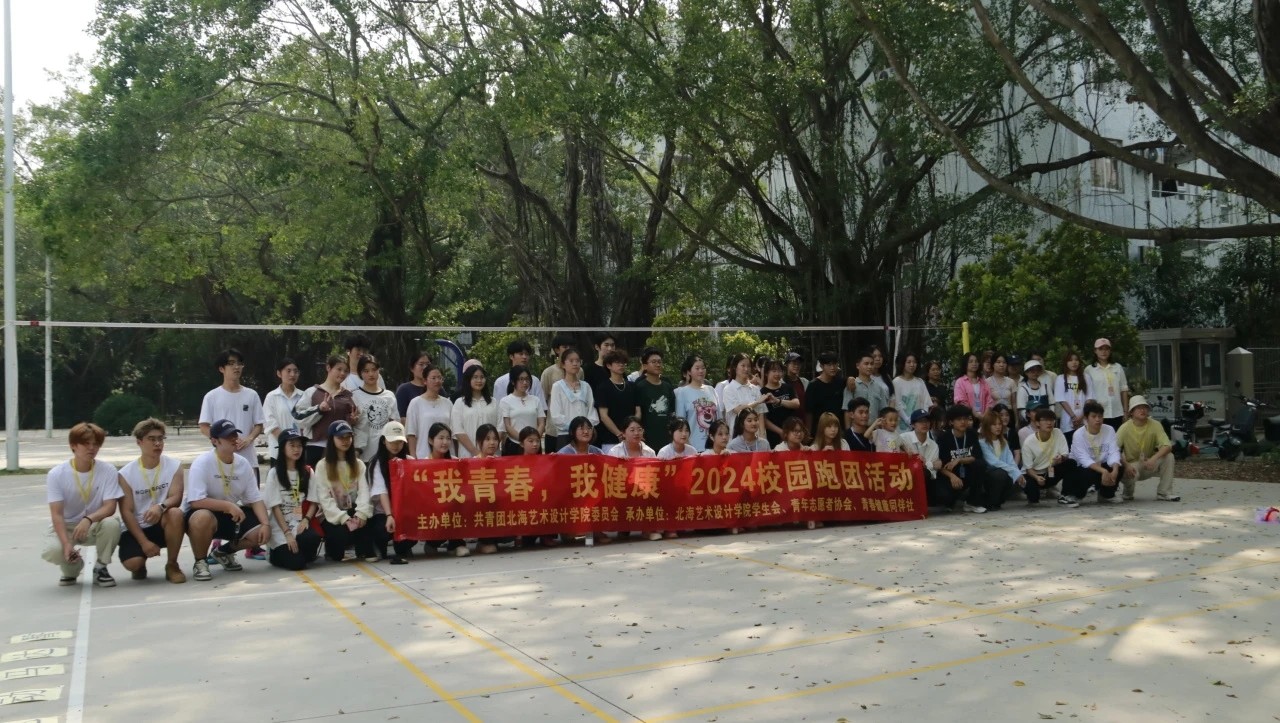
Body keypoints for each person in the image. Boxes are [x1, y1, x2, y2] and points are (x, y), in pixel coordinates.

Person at [185, 419, 272, 582]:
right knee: (202, 517)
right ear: (214, 441)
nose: (234, 439)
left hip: (230, 514)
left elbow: (255, 499)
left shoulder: (243, 464)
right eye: (227, 436)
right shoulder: (202, 463)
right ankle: (200, 561)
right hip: (203, 513)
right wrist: (228, 505)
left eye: (234, 435)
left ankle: (223, 552)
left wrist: (266, 525)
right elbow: (195, 501)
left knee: (261, 531)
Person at [43, 423, 124, 587]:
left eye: (96, 444)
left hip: (94, 524)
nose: (92, 448)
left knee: (112, 524)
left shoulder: (108, 470)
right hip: (67, 526)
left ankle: (100, 567)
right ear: (73, 445)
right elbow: (56, 514)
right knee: (53, 551)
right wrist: (66, 544)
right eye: (86, 443)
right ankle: (72, 568)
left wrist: (88, 519)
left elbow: (110, 507)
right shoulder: (56, 474)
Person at [117, 419, 187, 583]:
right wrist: (144, 543)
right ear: (139, 442)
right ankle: (140, 565)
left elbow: (176, 497)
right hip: (137, 528)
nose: (157, 443)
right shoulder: (126, 474)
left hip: (162, 523)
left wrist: (160, 507)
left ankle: (172, 565)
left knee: (176, 513)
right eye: (151, 439)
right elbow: (126, 512)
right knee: (133, 564)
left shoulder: (174, 466)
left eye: (161, 438)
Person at [310, 420, 374, 562]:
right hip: (332, 514)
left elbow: (364, 492)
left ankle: (363, 549)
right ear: (331, 439)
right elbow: (324, 499)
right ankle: (332, 550)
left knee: (367, 525)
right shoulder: (322, 466)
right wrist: (342, 518)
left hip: (354, 510)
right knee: (339, 537)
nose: (345, 441)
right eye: (340, 437)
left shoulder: (358, 464)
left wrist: (362, 513)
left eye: (348, 437)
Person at [263, 429, 322, 570]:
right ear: (282, 448)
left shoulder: (307, 471)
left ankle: (297, 553)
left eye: (299, 445)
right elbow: (275, 507)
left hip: (299, 522)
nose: (297, 449)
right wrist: (287, 533)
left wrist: (306, 520)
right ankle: (273, 553)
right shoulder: (274, 473)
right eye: (292, 445)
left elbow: (314, 501)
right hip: (280, 527)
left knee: (312, 539)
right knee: (297, 564)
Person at [198, 348, 265, 473]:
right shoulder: (211, 396)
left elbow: (259, 424)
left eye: (239, 363)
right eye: (231, 363)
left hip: (248, 460)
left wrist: (248, 439)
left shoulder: (252, 395)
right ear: (221, 368)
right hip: (221, 461)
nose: (236, 367)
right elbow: (203, 426)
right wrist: (221, 441)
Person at [295, 355, 358, 468]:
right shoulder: (312, 392)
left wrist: (352, 420)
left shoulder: (349, 395)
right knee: (313, 477)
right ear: (328, 368)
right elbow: (299, 418)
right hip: (315, 446)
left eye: (346, 371)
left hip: (340, 448)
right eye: (339, 369)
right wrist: (319, 409)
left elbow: (353, 421)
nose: (342, 373)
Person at [367, 421, 417, 564]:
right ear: (384, 441)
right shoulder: (376, 463)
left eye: (399, 442)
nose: (396, 445)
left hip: (404, 510)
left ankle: (403, 547)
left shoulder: (410, 461)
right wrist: (389, 515)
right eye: (392, 441)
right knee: (382, 529)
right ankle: (379, 545)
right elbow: (381, 491)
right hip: (382, 512)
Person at [1116, 396, 1179, 501]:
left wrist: (1154, 458)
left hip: (1149, 463)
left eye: (1145, 407)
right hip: (1132, 465)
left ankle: (1164, 492)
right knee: (1128, 471)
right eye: (1138, 408)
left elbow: (1167, 446)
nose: (1142, 410)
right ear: (1131, 412)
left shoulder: (1155, 424)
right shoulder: (1124, 428)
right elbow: (1113, 449)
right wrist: (1126, 465)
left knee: (1169, 456)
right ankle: (1127, 492)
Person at [1065, 401, 1123, 506]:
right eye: (1094, 416)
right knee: (1087, 472)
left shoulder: (1109, 430)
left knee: (1119, 466)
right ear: (1086, 418)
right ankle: (1075, 495)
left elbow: (1114, 451)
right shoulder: (1078, 434)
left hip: (1100, 465)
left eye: (1100, 416)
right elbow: (1084, 459)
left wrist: (1115, 470)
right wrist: (1103, 471)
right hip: (1084, 468)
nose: (1098, 419)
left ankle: (1106, 495)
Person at [934, 405, 988, 513]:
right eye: (959, 419)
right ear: (951, 422)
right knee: (943, 495)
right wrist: (952, 476)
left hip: (967, 471)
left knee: (980, 464)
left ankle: (972, 503)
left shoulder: (972, 434)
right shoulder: (944, 438)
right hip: (950, 474)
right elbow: (940, 465)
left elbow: (976, 456)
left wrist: (959, 460)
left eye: (965, 419)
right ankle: (951, 501)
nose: (963, 422)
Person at [1021, 407, 1075, 507]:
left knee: (1071, 463)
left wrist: (1061, 459)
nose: (1049, 423)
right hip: (1033, 474)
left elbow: (1065, 454)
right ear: (1037, 423)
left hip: (1051, 470)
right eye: (1045, 420)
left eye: (1051, 420)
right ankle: (1033, 495)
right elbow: (1028, 469)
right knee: (1033, 499)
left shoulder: (1057, 433)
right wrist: (1037, 477)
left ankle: (1065, 495)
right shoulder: (1029, 442)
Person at [352, 355, 398, 464]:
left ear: (379, 371)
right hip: (362, 455)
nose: (371, 374)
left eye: (374, 370)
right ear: (360, 373)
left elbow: (395, 425)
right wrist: (352, 421)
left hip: (386, 455)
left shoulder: (389, 396)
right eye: (366, 371)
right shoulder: (354, 396)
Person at [550, 348, 599, 449]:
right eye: (571, 361)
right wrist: (574, 429)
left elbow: (592, 410)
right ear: (563, 364)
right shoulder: (557, 386)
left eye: (577, 361)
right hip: (566, 435)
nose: (575, 364)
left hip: (585, 435)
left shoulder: (586, 386)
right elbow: (556, 415)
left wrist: (586, 428)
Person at [594, 349, 639, 453]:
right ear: (608, 365)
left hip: (632, 438)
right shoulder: (603, 388)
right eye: (617, 362)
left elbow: (638, 411)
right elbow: (604, 416)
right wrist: (619, 434)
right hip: (610, 440)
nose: (621, 365)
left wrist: (631, 431)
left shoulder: (632, 386)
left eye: (623, 362)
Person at [263, 357, 305, 466]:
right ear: (279, 373)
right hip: (278, 451)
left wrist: (295, 446)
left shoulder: (304, 396)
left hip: (298, 451)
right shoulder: (272, 397)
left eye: (295, 371)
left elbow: (307, 422)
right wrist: (286, 444)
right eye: (288, 371)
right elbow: (270, 423)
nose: (292, 374)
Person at [451, 364, 500, 458]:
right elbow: (458, 430)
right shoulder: (460, 403)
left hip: (492, 456)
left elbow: (500, 428)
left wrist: (490, 448)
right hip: (468, 455)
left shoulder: (493, 402)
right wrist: (477, 453)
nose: (479, 380)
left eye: (482, 377)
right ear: (468, 379)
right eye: (475, 377)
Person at [405, 363, 453, 459]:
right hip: (423, 456)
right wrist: (413, 457)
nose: (437, 381)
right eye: (433, 378)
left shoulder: (448, 403)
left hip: (446, 457)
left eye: (440, 378)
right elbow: (411, 434)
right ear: (425, 381)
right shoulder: (415, 403)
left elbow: (453, 432)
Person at [977, 409, 1022, 508]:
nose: (998, 427)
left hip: (1003, 471)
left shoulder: (1003, 441)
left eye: (999, 424)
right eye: (994, 424)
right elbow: (993, 462)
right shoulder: (982, 442)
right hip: (989, 474)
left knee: (1014, 477)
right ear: (987, 426)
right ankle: (990, 501)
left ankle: (996, 501)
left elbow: (1010, 460)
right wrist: (1013, 471)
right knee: (1001, 474)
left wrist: (1017, 473)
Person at [499, 365, 547, 456]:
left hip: (534, 446)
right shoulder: (505, 401)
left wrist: (534, 440)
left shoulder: (535, 400)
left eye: (527, 379)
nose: (525, 382)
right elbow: (507, 426)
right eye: (521, 379)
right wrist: (523, 441)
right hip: (514, 445)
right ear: (513, 381)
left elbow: (541, 423)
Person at [675, 354, 719, 452]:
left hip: (713, 448)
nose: (701, 371)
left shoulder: (711, 390)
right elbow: (680, 423)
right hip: (693, 447)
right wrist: (688, 447)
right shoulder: (683, 392)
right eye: (697, 368)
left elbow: (719, 420)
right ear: (689, 372)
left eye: (703, 368)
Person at [635, 347, 677, 450]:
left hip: (667, 438)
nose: (658, 364)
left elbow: (672, 412)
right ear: (645, 366)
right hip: (647, 438)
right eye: (653, 362)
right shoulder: (639, 387)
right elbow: (637, 413)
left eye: (659, 362)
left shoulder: (667, 386)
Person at [721, 352, 771, 437]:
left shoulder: (755, 389)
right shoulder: (729, 389)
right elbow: (737, 410)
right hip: (737, 438)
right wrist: (757, 402)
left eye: (748, 366)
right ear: (735, 367)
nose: (746, 369)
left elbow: (761, 415)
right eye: (743, 366)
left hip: (756, 438)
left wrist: (763, 437)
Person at [540, 333, 577, 449]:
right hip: (554, 430)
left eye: (570, 347)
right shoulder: (549, 372)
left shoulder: (579, 371)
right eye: (565, 347)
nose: (568, 349)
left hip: (575, 429)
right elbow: (543, 401)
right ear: (557, 350)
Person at [1086, 338, 1130, 430]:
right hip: (1098, 415)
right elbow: (1087, 394)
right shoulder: (1089, 370)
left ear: (1110, 351)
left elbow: (1124, 390)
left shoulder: (1117, 367)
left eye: (1106, 349)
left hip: (1117, 412)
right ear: (1095, 351)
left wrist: (1126, 412)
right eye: (1100, 349)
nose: (1104, 352)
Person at [760, 359, 801, 448]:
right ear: (766, 373)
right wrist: (781, 432)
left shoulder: (788, 387)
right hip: (773, 435)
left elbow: (796, 404)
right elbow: (763, 419)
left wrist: (778, 401)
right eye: (774, 371)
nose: (777, 374)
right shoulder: (762, 392)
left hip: (792, 433)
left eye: (779, 371)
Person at [804, 351, 845, 438]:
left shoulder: (840, 382)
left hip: (837, 429)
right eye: (829, 365)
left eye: (835, 364)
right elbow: (809, 411)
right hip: (819, 430)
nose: (832, 368)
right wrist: (808, 432)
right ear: (822, 366)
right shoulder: (813, 385)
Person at [493, 340, 544, 406]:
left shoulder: (535, 381)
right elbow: (498, 408)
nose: (524, 357)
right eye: (521, 354)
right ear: (511, 356)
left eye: (527, 354)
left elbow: (542, 407)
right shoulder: (501, 382)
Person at [1054, 350, 1090, 439]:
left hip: (1084, 420)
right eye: (1070, 360)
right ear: (1065, 362)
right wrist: (1073, 417)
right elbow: (1062, 400)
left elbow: (1089, 399)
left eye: (1076, 360)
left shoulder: (1086, 377)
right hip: (1067, 421)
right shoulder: (1060, 378)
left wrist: (1081, 417)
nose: (1074, 362)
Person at [845, 351, 889, 423]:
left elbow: (883, 411)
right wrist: (848, 429)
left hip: (874, 427)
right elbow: (847, 410)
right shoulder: (852, 385)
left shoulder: (879, 387)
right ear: (857, 365)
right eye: (866, 364)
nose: (869, 366)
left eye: (872, 364)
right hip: (856, 428)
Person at [900, 409, 941, 484]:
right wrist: (930, 464)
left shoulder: (934, 445)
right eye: (920, 421)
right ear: (913, 424)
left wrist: (925, 465)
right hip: (904, 478)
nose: (925, 424)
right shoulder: (903, 438)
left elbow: (932, 473)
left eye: (927, 421)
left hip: (925, 482)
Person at [891, 353, 929, 432]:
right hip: (901, 426)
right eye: (909, 362)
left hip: (919, 424)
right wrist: (908, 420)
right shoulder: (896, 382)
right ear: (903, 363)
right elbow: (897, 404)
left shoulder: (920, 382)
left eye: (914, 362)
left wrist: (923, 418)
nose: (912, 365)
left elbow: (926, 402)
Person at [1016, 360, 1055, 428]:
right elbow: (1022, 409)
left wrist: (1050, 419)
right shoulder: (1023, 389)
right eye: (1032, 370)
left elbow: (1051, 405)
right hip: (1031, 424)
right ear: (1026, 372)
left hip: (1047, 422)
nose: (1035, 373)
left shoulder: (1046, 387)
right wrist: (1033, 422)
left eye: (1037, 370)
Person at [394, 351, 433, 421]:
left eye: (428, 364)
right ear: (412, 368)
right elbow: (401, 417)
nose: (425, 367)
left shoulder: (437, 388)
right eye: (421, 364)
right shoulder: (404, 390)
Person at [953, 352, 994, 417]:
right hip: (967, 417)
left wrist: (984, 416)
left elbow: (989, 400)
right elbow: (961, 401)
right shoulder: (960, 382)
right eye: (971, 361)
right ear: (965, 364)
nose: (974, 363)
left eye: (976, 361)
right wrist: (976, 415)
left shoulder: (983, 381)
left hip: (984, 417)